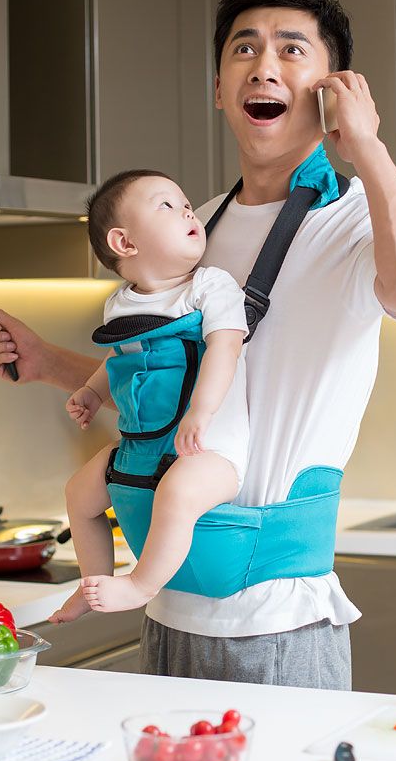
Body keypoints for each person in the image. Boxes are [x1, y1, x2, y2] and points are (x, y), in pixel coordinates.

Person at [0, 0, 396, 689]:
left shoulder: (358, 219)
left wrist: (368, 150)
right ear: (217, 89)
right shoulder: (191, 228)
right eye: (243, 48)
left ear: (334, 90)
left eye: (291, 49)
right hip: (166, 608)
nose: (263, 65)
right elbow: (167, 386)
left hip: (276, 616)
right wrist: (47, 363)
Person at [49, 169, 250, 620]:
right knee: (80, 495)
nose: (185, 209)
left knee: (177, 495)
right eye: (166, 205)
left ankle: (140, 584)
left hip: (211, 448)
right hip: (142, 446)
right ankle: (91, 581)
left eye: (184, 202)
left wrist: (203, 410)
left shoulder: (210, 286)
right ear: (124, 243)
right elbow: (122, 356)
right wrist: (93, 392)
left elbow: (226, 344)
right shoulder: (120, 303)